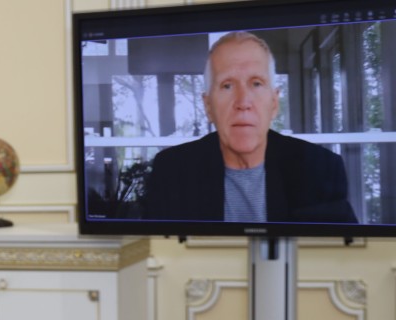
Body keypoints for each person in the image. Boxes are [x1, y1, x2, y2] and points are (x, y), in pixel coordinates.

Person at [142, 31, 358, 224]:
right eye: (227, 85)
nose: (243, 102)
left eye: (256, 83)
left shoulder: (320, 170)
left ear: (274, 103)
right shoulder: (171, 173)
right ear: (208, 106)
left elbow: (340, 260)